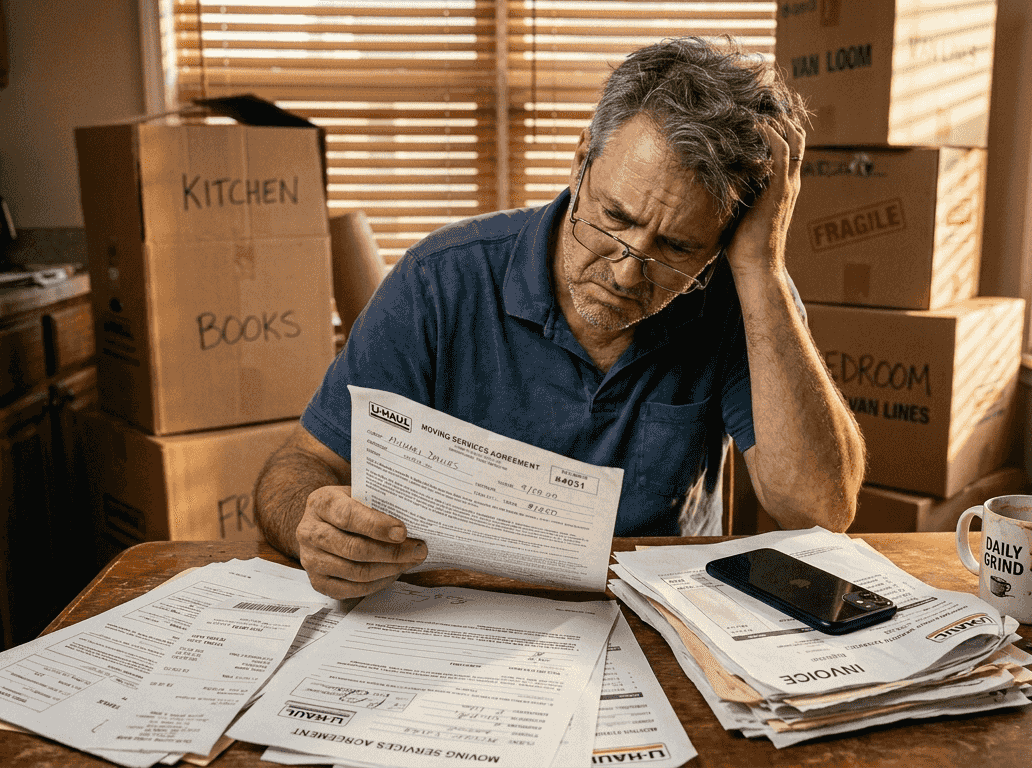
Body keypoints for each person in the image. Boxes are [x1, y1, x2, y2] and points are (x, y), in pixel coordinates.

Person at [255, 36, 866, 600]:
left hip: (653, 617)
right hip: (462, 611)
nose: (627, 274)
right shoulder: (440, 278)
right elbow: (301, 465)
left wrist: (761, 267)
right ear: (581, 162)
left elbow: (818, 511)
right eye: (615, 218)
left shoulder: (742, 296)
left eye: (676, 248)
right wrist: (318, 527)